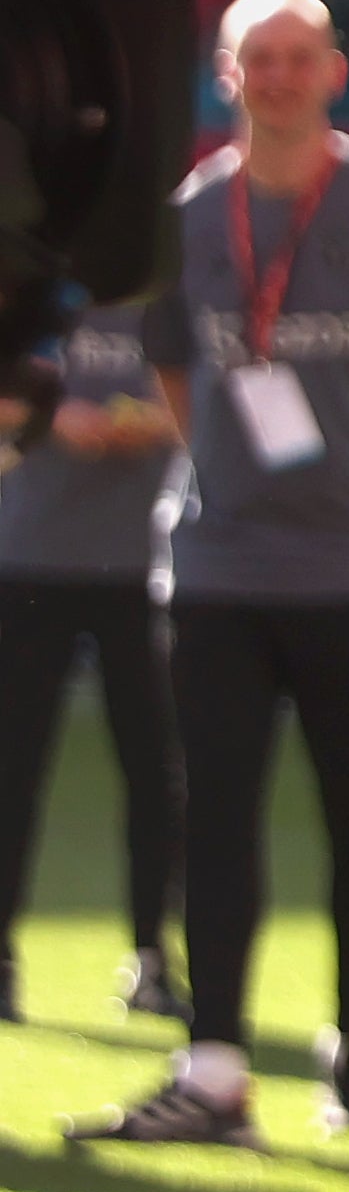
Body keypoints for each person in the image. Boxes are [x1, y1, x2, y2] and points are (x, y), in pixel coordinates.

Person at [70, 0, 349, 1146]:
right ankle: (214, 1066)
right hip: (216, 569)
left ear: (335, 71)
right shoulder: (187, 216)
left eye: (296, 56)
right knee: (213, 820)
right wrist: (231, 467)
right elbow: (178, 378)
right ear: (226, 75)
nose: (275, 76)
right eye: (254, 58)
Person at [0, 310, 186, 1028]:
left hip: (148, 563)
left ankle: (152, 954)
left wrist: (154, 421)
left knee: (157, 766)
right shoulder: (29, 283)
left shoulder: (169, 274)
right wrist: (52, 416)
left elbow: (214, 396)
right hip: (28, 560)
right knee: (14, 765)